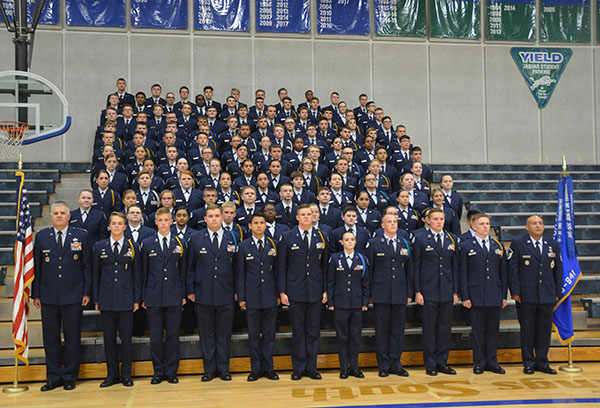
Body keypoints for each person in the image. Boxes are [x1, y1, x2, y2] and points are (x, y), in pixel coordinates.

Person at [33, 202, 91, 391]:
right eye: (56, 213)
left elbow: (86, 266)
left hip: (73, 296)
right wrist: (36, 294)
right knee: (50, 338)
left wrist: (86, 291)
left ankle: (69, 377)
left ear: (69, 216)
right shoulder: (42, 237)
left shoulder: (80, 235)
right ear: (51, 216)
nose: (59, 216)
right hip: (48, 296)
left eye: (62, 213)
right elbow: (37, 268)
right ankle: (53, 376)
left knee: (72, 338)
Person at [187, 205, 238, 381]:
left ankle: (223, 368)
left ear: (222, 217)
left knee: (224, 334)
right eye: (211, 216)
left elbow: (237, 267)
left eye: (217, 215)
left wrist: (237, 290)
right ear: (205, 219)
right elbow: (190, 267)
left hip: (226, 292)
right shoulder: (195, 238)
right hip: (203, 292)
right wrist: (190, 290)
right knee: (206, 334)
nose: (215, 219)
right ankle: (209, 369)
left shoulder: (233, 237)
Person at [277, 204, 329, 380]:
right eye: (303, 214)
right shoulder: (287, 237)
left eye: (310, 214)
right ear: (297, 217)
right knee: (298, 330)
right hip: (295, 290)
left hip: (315, 290)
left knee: (313, 331)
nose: (307, 217)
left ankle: (311, 367)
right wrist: (282, 291)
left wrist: (325, 290)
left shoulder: (321, 236)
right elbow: (282, 266)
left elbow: (325, 267)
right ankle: (298, 367)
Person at [92, 212, 142, 388]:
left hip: (126, 299)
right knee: (109, 339)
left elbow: (137, 275)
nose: (116, 226)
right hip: (106, 299)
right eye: (113, 223)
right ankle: (111, 374)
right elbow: (95, 275)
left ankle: (126, 375)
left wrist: (136, 299)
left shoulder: (132, 246)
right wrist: (96, 298)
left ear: (125, 226)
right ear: (109, 226)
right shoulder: (99, 246)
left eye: (120, 223)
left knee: (126, 339)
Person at [508, 215, 562, 375]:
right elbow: (513, 270)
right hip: (526, 295)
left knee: (544, 330)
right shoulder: (518, 243)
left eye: (540, 223)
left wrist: (557, 292)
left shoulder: (552, 244)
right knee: (527, 329)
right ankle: (529, 362)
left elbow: (558, 270)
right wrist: (515, 292)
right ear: (527, 227)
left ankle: (542, 362)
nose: (538, 226)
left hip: (547, 294)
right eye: (534, 223)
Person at [141, 208, 187, 384]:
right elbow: (143, 272)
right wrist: (143, 295)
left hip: (174, 294)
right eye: (160, 220)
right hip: (153, 295)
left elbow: (183, 272)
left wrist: (182, 293)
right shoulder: (146, 243)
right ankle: (158, 371)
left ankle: (172, 371)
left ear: (171, 222)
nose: (163, 223)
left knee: (173, 335)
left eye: (166, 220)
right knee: (155, 335)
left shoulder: (180, 242)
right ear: (155, 222)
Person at [459, 213, 508, 375]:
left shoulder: (497, 246)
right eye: (482, 224)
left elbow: (503, 273)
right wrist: (465, 296)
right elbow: (463, 274)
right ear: (474, 227)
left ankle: (492, 361)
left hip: (494, 294)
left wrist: (503, 296)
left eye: (487, 223)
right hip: (475, 295)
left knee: (493, 331)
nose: (486, 226)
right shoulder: (466, 246)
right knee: (478, 332)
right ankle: (479, 362)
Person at [413, 208, 459, 376]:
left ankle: (442, 362)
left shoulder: (451, 239)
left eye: (441, 219)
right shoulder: (420, 239)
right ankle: (430, 363)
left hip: (446, 290)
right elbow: (415, 267)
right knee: (430, 329)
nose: (439, 222)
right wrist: (417, 291)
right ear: (428, 221)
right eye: (436, 219)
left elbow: (455, 267)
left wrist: (455, 291)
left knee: (444, 329)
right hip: (428, 291)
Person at [366, 213, 413, 377]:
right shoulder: (373, 243)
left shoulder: (404, 243)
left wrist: (409, 291)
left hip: (400, 292)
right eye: (389, 222)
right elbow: (369, 270)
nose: (393, 224)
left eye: (395, 222)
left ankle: (396, 363)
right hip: (380, 293)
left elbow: (409, 269)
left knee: (397, 331)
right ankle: (383, 365)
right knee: (382, 330)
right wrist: (369, 292)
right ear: (382, 225)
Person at [236, 213, 280, 381]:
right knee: (254, 335)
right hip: (251, 296)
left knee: (269, 335)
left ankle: (269, 368)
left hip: (269, 296)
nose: (259, 225)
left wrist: (277, 294)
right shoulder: (243, 246)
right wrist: (241, 297)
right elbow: (240, 274)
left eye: (262, 223)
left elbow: (277, 272)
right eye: (256, 223)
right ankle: (255, 369)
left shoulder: (273, 245)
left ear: (266, 226)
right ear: (250, 226)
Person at [327, 231, 369, 379]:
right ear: (341, 242)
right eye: (347, 239)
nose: (350, 242)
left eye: (352, 239)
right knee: (342, 337)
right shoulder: (334, 258)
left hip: (357, 303)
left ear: (356, 242)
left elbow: (365, 283)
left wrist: (365, 301)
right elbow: (331, 282)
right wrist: (331, 302)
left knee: (355, 336)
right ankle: (344, 367)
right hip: (340, 303)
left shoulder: (362, 259)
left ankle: (355, 367)